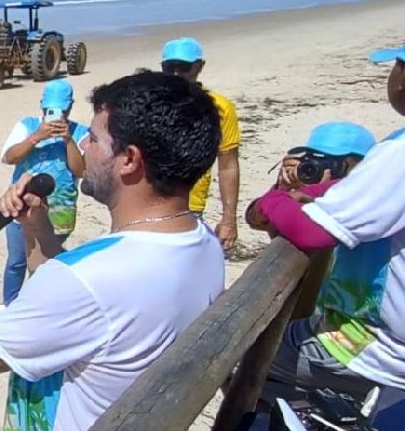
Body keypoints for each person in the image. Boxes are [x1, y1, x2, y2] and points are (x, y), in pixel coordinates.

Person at [0, 71, 224, 431]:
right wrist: (38, 231)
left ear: (129, 160)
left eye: (95, 136)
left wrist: (6, 311)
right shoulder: (202, 245)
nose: (84, 146)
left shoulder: (83, 279)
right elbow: (91, 302)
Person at [256, 45, 405, 406]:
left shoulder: (398, 154)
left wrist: (274, 198)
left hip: (373, 349)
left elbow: (311, 232)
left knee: (249, 364)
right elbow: (351, 192)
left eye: (398, 66)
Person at [0, 80, 89, 304]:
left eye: (62, 110)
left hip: (59, 211)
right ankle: (9, 306)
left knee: (47, 263)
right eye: (49, 110)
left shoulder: (80, 132)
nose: (56, 115)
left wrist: (67, 139)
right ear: (42, 105)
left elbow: (82, 170)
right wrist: (36, 137)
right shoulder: (27, 125)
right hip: (21, 208)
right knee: (17, 261)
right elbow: (9, 157)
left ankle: (37, 305)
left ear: (70, 107)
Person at [160, 37, 241, 251]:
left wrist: (229, 219)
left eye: (184, 67)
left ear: (199, 66)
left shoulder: (220, 108)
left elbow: (228, 165)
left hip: (189, 207)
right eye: (170, 67)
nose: (176, 74)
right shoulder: (151, 104)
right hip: (147, 205)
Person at [245, 121, 375, 236]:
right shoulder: (299, 193)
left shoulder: (368, 196)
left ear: (358, 163)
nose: (317, 166)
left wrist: (319, 195)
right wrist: (282, 188)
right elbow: (255, 220)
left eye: (330, 161)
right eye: (313, 159)